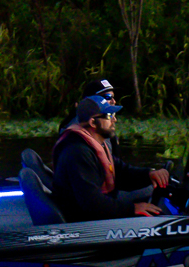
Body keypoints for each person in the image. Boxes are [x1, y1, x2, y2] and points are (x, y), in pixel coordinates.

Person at [52, 90, 171, 220]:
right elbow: (92, 204)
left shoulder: (95, 145)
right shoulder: (78, 152)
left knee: (150, 192)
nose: (114, 119)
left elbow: (121, 172)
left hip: (94, 213)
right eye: (109, 116)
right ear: (93, 123)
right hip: (82, 222)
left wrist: (149, 174)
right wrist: (133, 208)